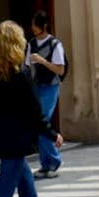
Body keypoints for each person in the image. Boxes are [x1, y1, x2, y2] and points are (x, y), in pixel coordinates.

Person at [0, 20, 60, 197]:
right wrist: (52, 134)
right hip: (16, 142)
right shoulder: (20, 74)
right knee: (2, 195)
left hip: (1, 140)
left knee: (28, 193)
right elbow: (35, 111)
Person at [27, 10, 66, 179]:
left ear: (43, 26)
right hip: (36, 87)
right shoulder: (31, 44)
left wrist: (42, 61)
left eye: (35, 24)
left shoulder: (55, 44)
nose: (32, 27)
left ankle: (54, 160)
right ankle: (45, 164)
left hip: (50, 87)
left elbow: (60, 69)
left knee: (42, 123)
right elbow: (27, 66)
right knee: (39, 124)